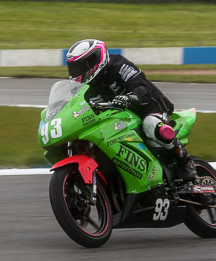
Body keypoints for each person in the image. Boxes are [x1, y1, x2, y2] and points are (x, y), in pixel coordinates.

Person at [65, 38, 197, 188]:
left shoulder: (118, 65)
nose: (78, 72)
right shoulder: (87, 88)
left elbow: (141, 87)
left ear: (96, 60)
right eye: (74, 68)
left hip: (148, 107)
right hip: (121, 119)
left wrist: (130, 97)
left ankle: (185, 161)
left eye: (81, 66)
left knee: (150, 125)